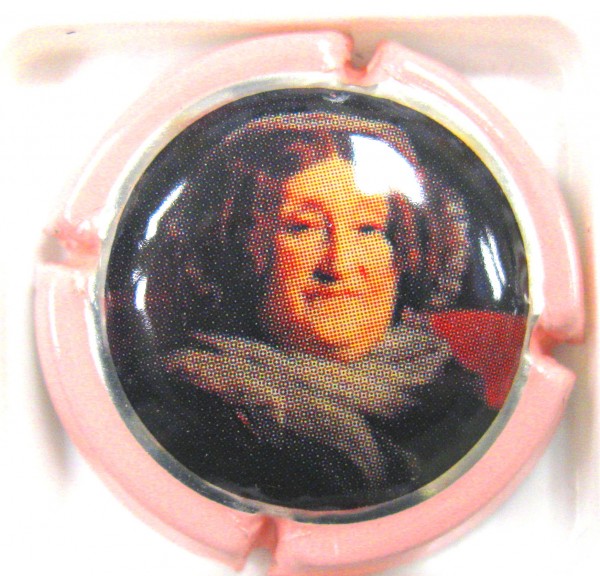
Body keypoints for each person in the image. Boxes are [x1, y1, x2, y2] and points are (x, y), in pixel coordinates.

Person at [109, 113, 498, 511]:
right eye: (301, 228)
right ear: (235, 249)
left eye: (368, 229)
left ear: (403, 249)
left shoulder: (444, 386)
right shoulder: (206, 413)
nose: (339, 264)